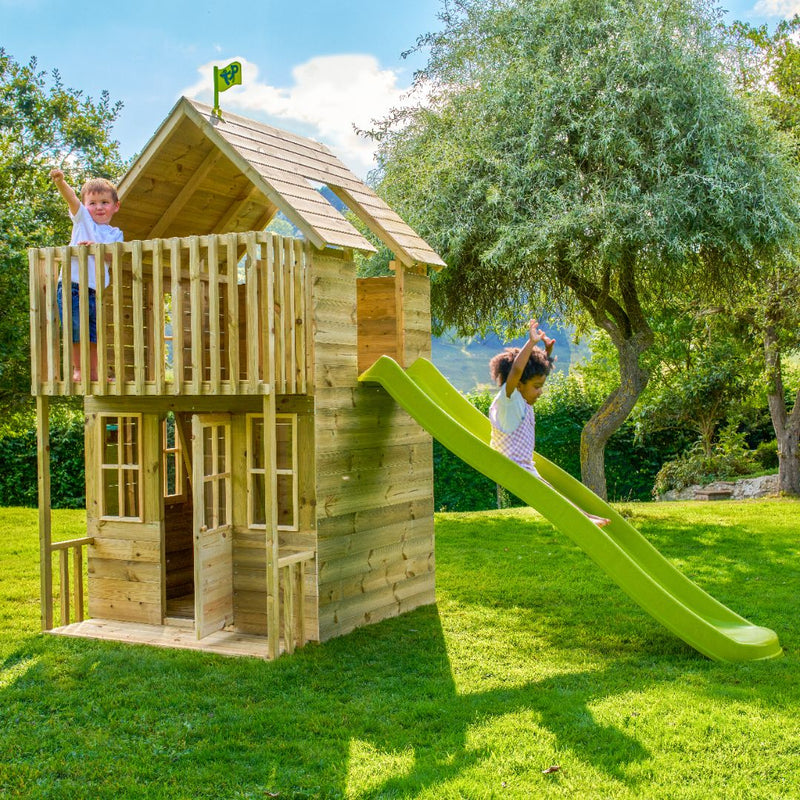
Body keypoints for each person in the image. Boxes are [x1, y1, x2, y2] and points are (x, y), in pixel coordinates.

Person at [489, 319, 610, 526]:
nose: (540, 391)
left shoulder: (521, 399)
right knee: (552, 497)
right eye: (536, 387)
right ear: (518, 385)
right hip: (511, 466)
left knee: (555, 493)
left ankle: (587, 517)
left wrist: (547, 353)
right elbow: (518, 370)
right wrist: (531, 343)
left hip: (524, 466)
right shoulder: (509, 399)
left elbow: (531, 371)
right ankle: (585, 520)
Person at [49, 169, 123, 381]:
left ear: (115, 206)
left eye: (104, 202)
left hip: (94, 290)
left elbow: (111, 257)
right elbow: (71, 199)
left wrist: (97, 247)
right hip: (73, 286)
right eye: (92, 203)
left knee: (93, 334)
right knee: (76, 329)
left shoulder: (114, 234)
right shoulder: (83, 221)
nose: (98, 207)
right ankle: (79, 370)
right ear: (84, 206)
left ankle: (95, 372)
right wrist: (61, 183)